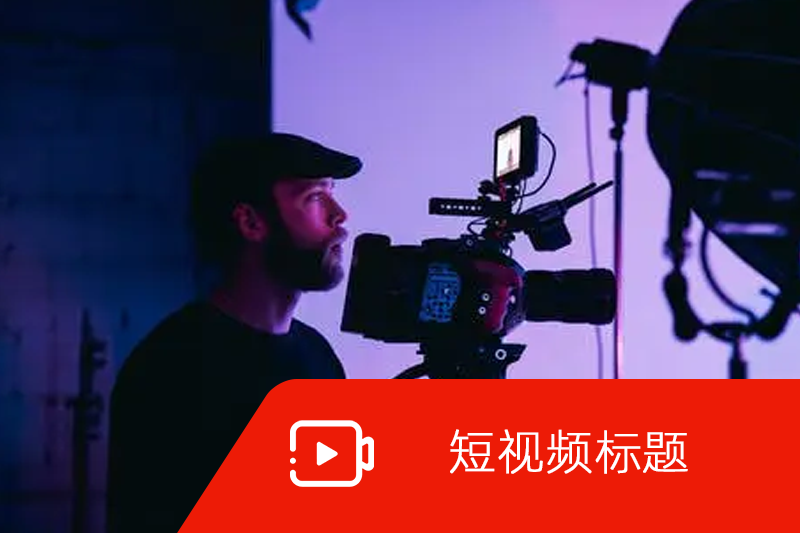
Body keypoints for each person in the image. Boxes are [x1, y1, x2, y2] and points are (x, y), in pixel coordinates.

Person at [105, 133, 363, 533]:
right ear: (250, 222)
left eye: (332, 193)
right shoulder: (170, 368)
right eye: (314, 197)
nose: (339, 216)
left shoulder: (318, 356)